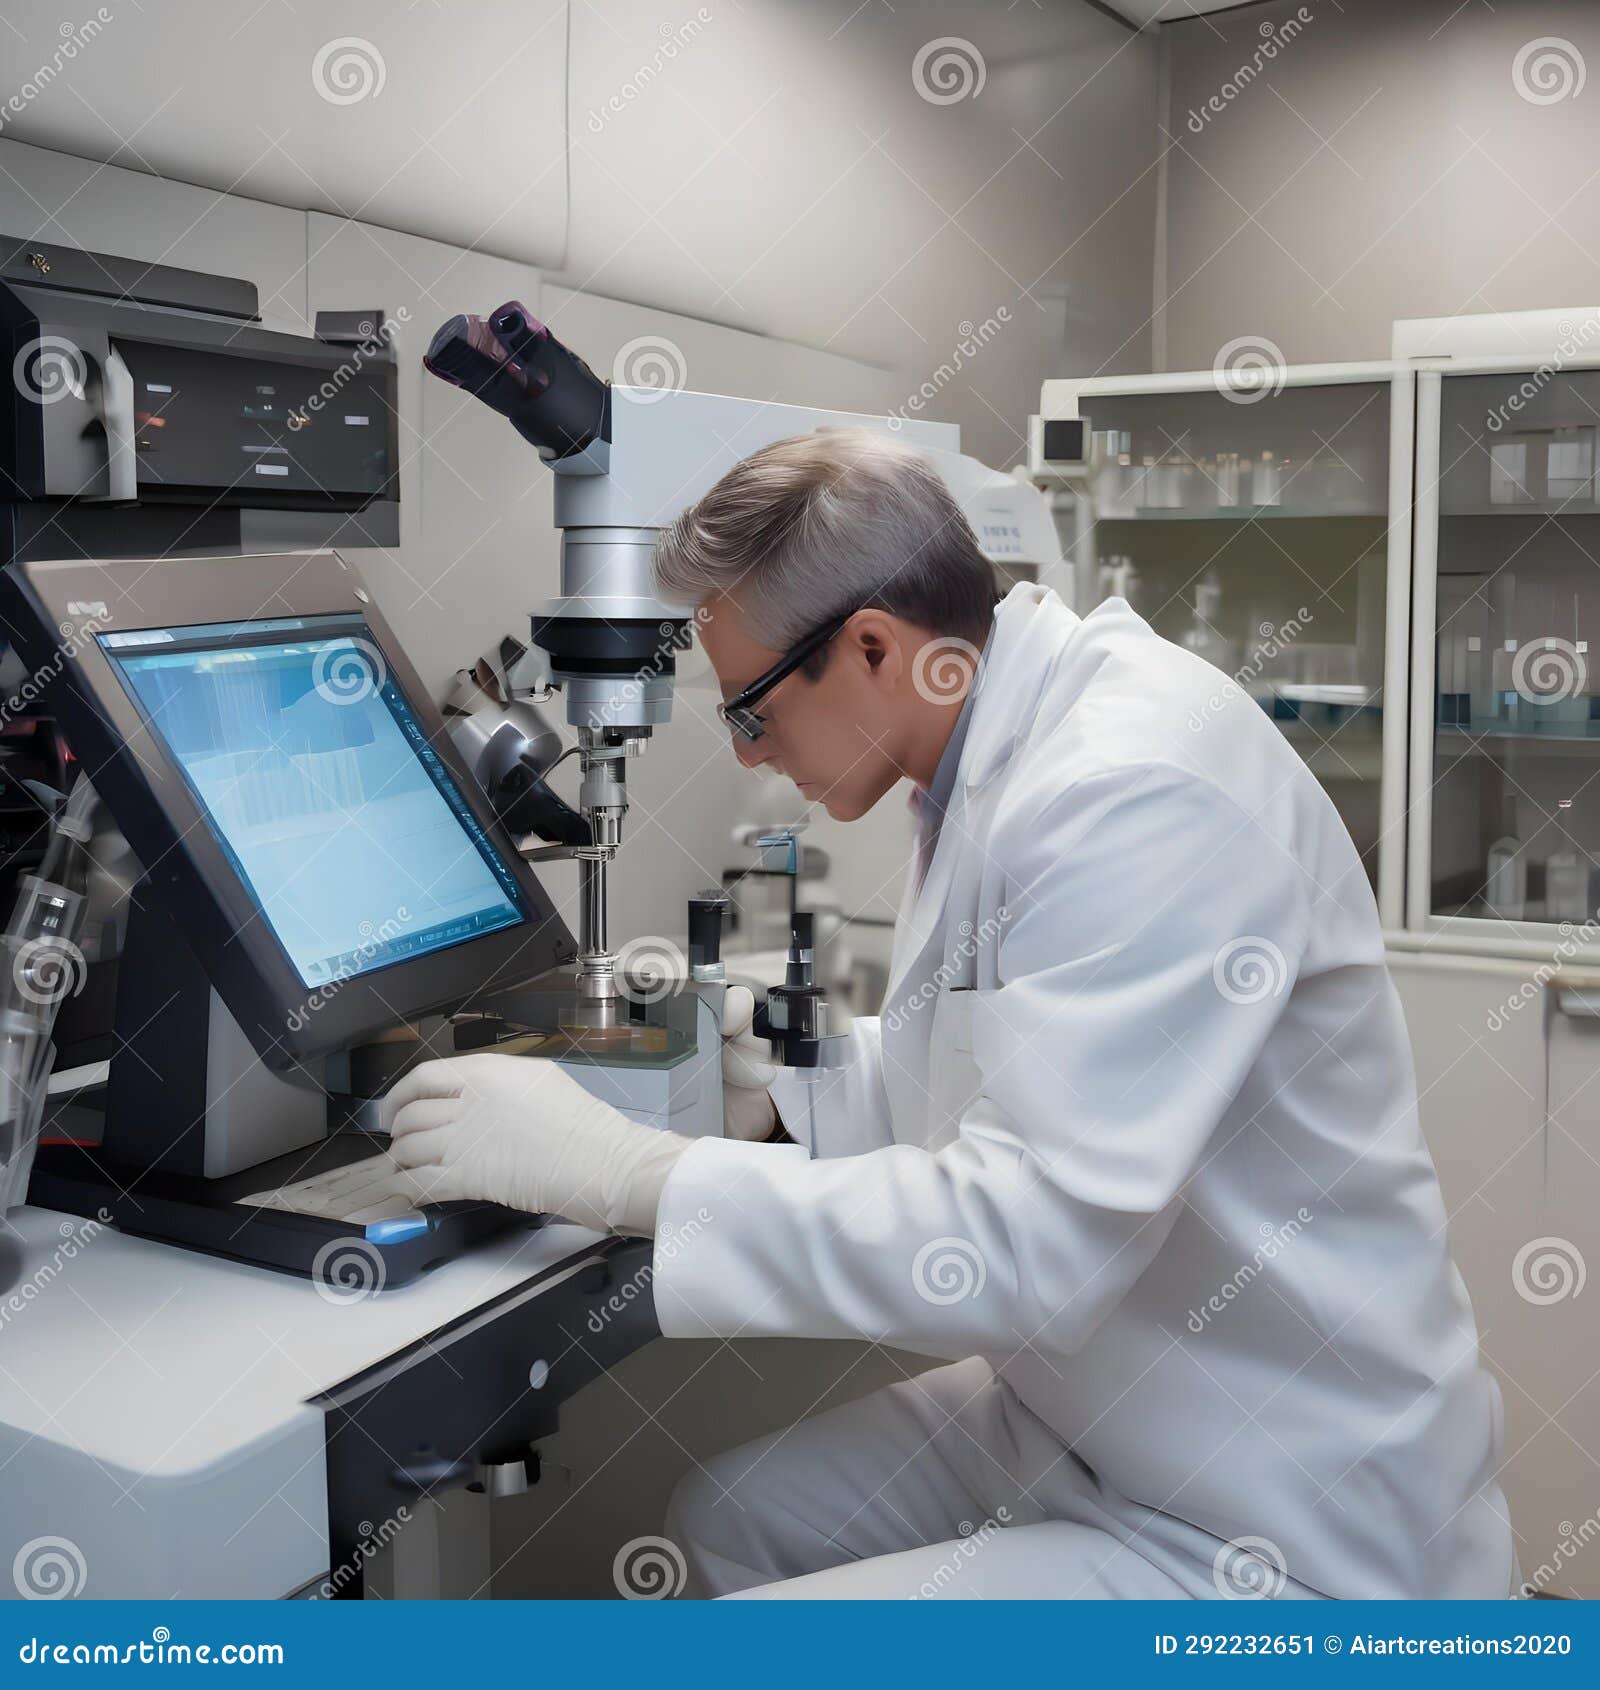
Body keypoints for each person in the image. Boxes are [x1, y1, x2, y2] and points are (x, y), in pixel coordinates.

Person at [382, 430, 1513, 1600]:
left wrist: (634, 1170)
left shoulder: (1131, 784)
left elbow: (1028, 1246)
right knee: (727, 1521)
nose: (743, 749)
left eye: (752, 712)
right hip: (1109, 1409)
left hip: (1277, 1500)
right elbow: (1001, 1086)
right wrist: (786, 1078)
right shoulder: (994, 751)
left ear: (872, 645)